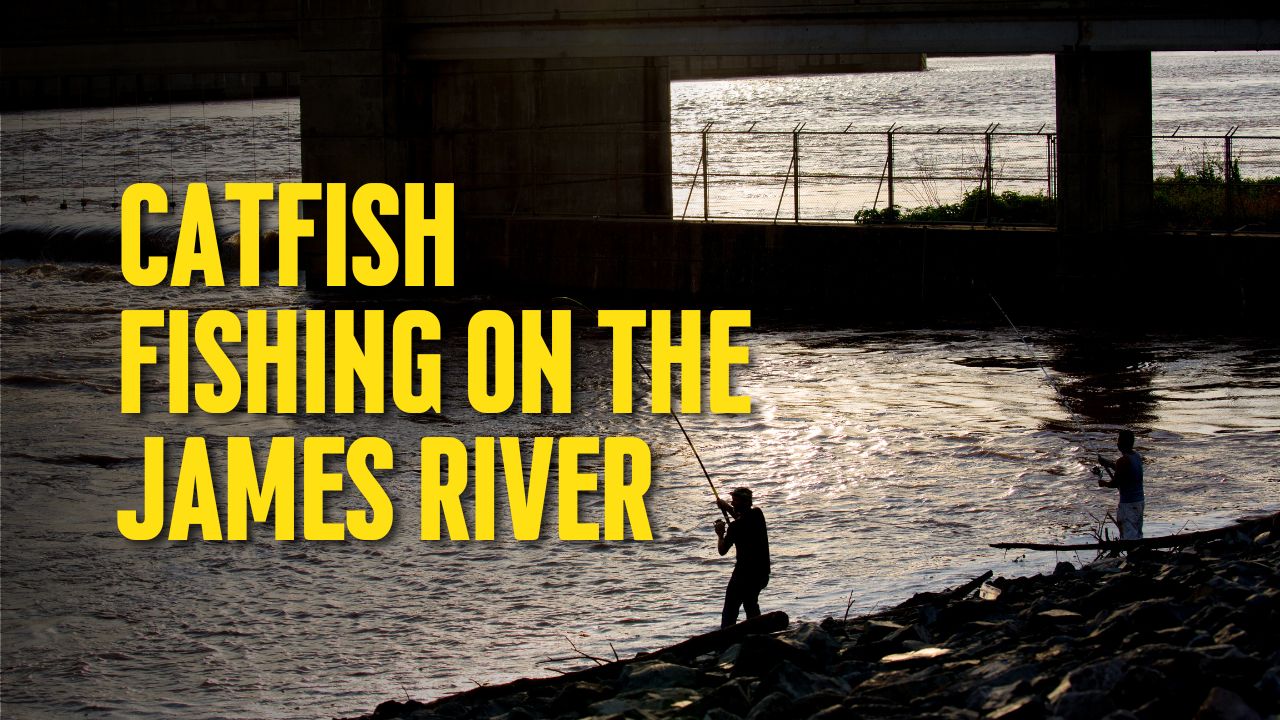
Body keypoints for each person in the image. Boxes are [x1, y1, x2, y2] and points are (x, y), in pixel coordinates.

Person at [713, 487, 770, 629]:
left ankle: (726, 639)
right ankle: (759, 634)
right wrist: (725, 506)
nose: (732, 503)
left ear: (744, 503)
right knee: (750, 604)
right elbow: (742, 518)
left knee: (730, 610)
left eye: (735, 501)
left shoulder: (734, 527)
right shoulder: (757, 514)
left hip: (743, 573)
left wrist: (720, 533)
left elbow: (722, 550)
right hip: (761, 572)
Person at [1097, 429, 1145, 539]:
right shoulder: (1136, 456)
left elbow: (1115, 483)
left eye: (1118, 440)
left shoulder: (1122, 461)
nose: (1117, 443)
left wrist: (1103, 483)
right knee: (1137, 532)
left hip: (1128, 504)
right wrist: (1108, 464)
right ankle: (1138, 553)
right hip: (1139, 502)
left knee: (1129, 535)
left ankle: (1132, 555)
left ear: (1121, 443)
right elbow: (1125, 472)